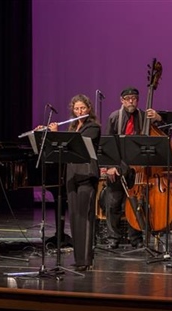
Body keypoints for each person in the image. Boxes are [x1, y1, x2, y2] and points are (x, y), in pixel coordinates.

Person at [37, 94, 100, 269]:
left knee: (85, 218)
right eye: (76, 108)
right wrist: (47, 135)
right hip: (72, 175)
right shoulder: (73, 126)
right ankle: (79, 260)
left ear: (89, 109)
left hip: (87, 174)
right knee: (74, 217)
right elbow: (62, 150)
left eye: (83, 108)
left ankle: (86, 260)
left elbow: (76, 143)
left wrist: (58, 134)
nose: (79, 111)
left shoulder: (93, 127)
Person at [103, 87, 163, 249]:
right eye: (128, 98)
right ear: (121, 100)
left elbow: (162, 134)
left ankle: (136, 238)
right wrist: (110, 166)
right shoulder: (114, 117)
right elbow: (108, 143)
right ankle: (112, 238)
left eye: (134, 98)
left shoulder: (145, 117)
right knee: (113, 203)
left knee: (136, 204)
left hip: (139, 169)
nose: (131, 101)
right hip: (119, 164)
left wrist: (158, 119)